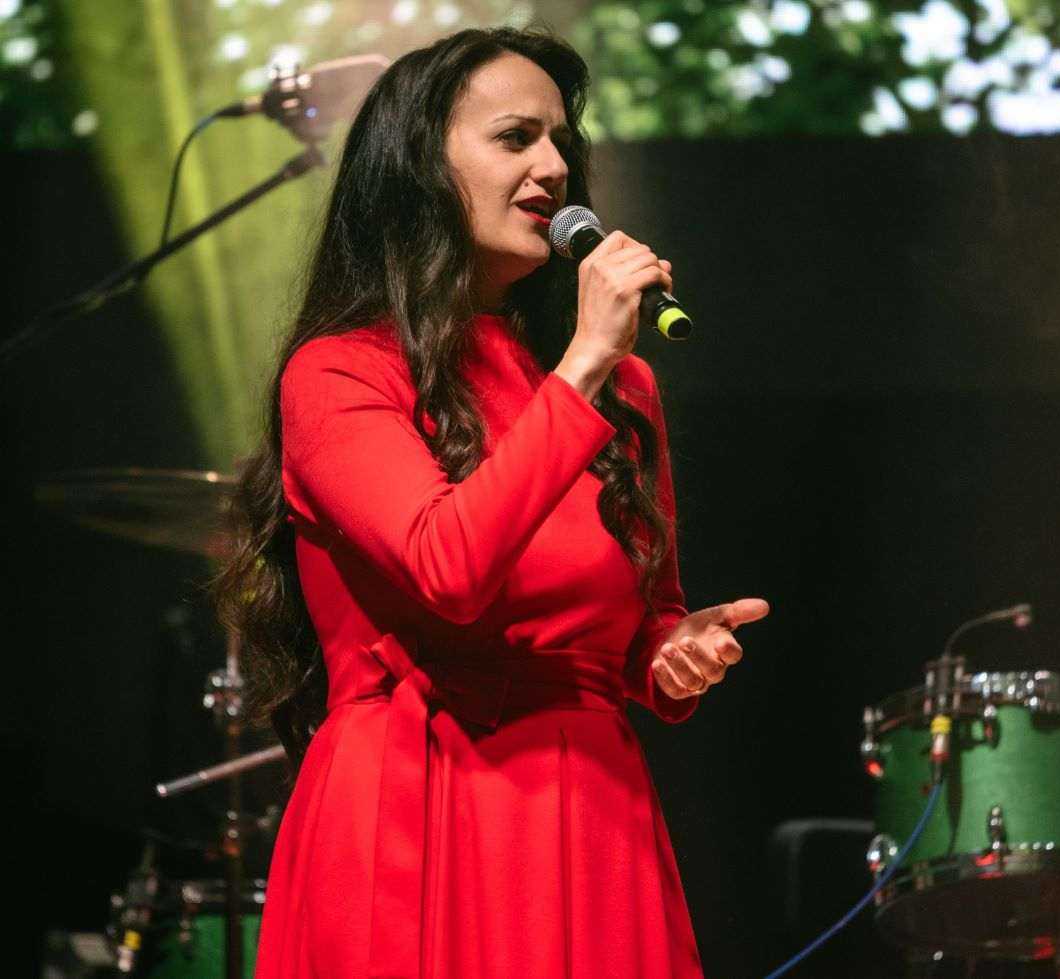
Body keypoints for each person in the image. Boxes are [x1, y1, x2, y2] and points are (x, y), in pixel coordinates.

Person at [216, 25, 769, 978]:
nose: (554, 168)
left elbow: (643, 622)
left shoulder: (624, 389)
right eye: (516, 138)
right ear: (418, 168)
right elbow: (448, 566)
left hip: (593, 817)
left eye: (562, 142)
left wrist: (672, 653)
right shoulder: (341, 371)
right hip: (416, 803)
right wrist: (584, 364)